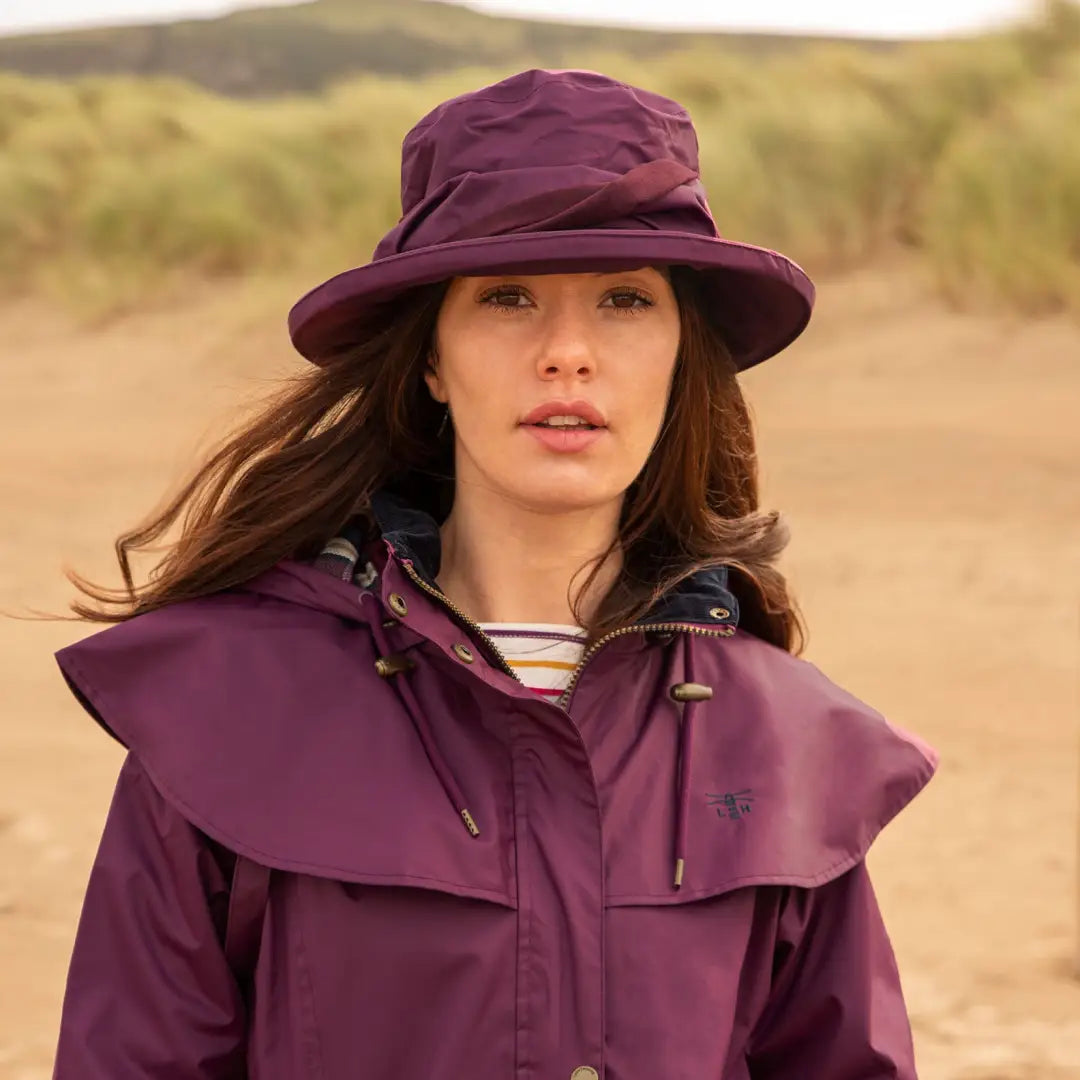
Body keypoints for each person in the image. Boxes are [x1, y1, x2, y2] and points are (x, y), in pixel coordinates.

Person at [51, 67, 938, 1078]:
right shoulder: (226, 708)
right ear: (431, 358)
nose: (568, 353)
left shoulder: (784, 742)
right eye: (508, 298)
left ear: (684, 354)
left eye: (624, 301)